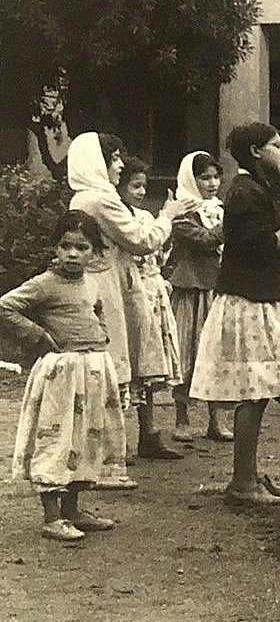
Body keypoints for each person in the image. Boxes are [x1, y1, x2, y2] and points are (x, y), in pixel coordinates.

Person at [189, 123, 280, 506]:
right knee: (252, 393)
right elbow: (260, 247)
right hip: (249, 302)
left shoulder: (261, 188)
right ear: (256, 152)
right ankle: (242, 482)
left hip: (265, 296)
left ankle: (251, 473)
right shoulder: (244, 193)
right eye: (277, 145)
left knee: (260, 392)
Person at [67, 132, 193, 469]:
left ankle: (139, 437)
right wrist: (168, 215)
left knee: (131, 359)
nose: (120, 165)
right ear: (99, 162)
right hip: (109, 287)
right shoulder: (99, 199)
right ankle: (111, 451)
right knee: (117, 361)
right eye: (114, 158)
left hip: (114, 283)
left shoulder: (85, 197)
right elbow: (140, 240)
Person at [4, 211, 129, 541]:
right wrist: (38, 336)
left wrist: (100, 336)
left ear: (94, 252)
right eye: (66, 246)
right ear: (55, 248)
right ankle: (51, 515)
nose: (73, 254)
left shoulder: (91, 283)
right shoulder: (45, 284)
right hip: (61, 373)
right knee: (57, 439)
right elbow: (5, 306)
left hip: (91, 371)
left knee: (86, 439)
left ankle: (73, 509)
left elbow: (97, 310)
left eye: (82, 247)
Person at [115, 156, 186, 460]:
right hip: (131, 291)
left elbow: (161, 250)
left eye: (144, 186)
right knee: (128, 364)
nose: (141, 192)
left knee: (149, 368)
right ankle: (121, 439)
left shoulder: (145, 217)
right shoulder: (118, 219)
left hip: (153, 291)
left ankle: (149, 433)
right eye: (135, 186)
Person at [167, 151, 230, 442]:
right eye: (205, 177)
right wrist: (228, 227)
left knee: (215, 353)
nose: (212, 183)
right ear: (192, 179)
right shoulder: (181, 211)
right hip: (190, 288)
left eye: (216, 176)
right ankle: (182, 418)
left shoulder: (217, 209)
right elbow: (203, 241)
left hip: (216, 287)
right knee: (188, 351)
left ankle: (215, 419)